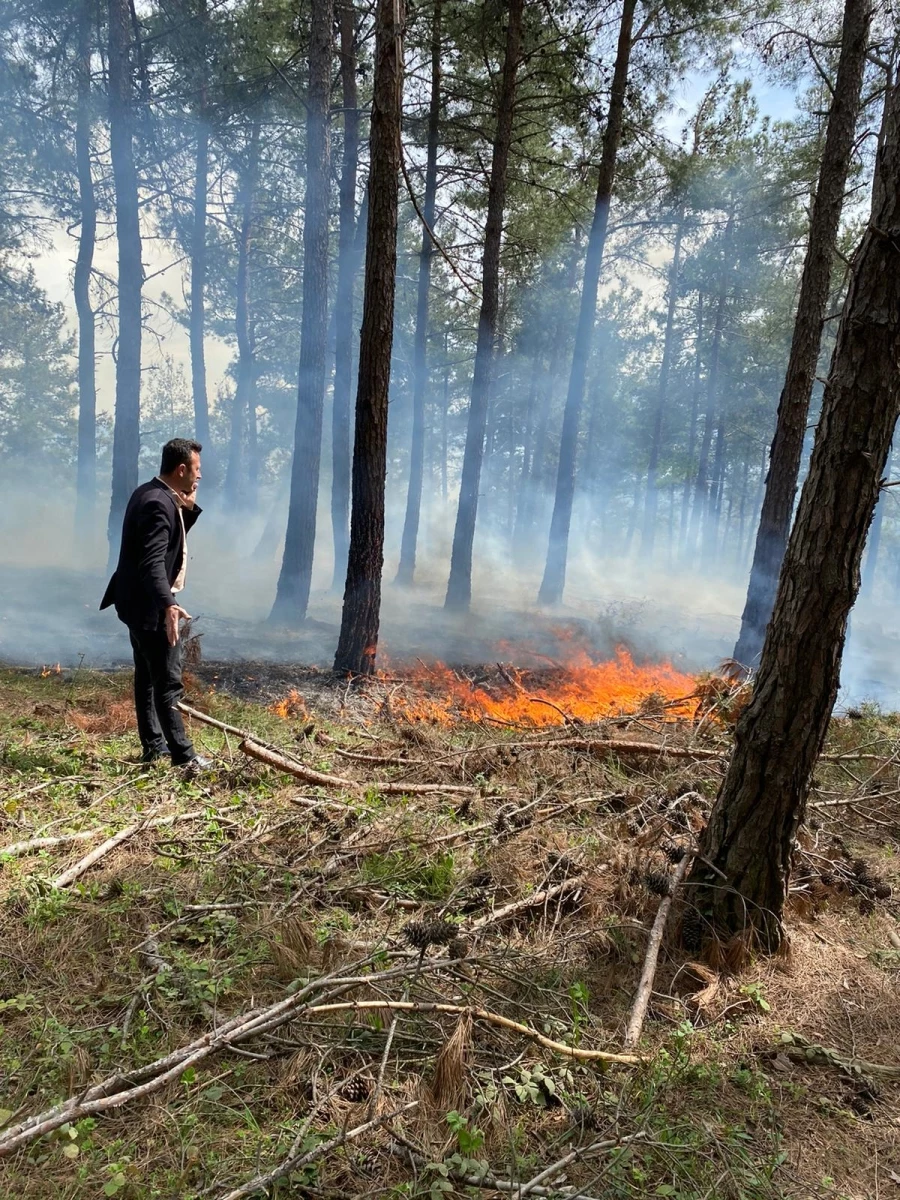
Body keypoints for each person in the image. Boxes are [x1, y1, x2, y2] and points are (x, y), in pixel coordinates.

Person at [101, 438, 211, 771]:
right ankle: (184, 757)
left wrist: (187, 510)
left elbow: (166, 543)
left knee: (147, 677)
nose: (199, 477)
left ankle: (153, 746)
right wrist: (168, 606)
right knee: (167, 681)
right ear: (181, 469)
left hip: (136, 600)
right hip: (149, 604)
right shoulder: (157, 504)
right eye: (197, 469)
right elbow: (152, 562)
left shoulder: (151, 493)